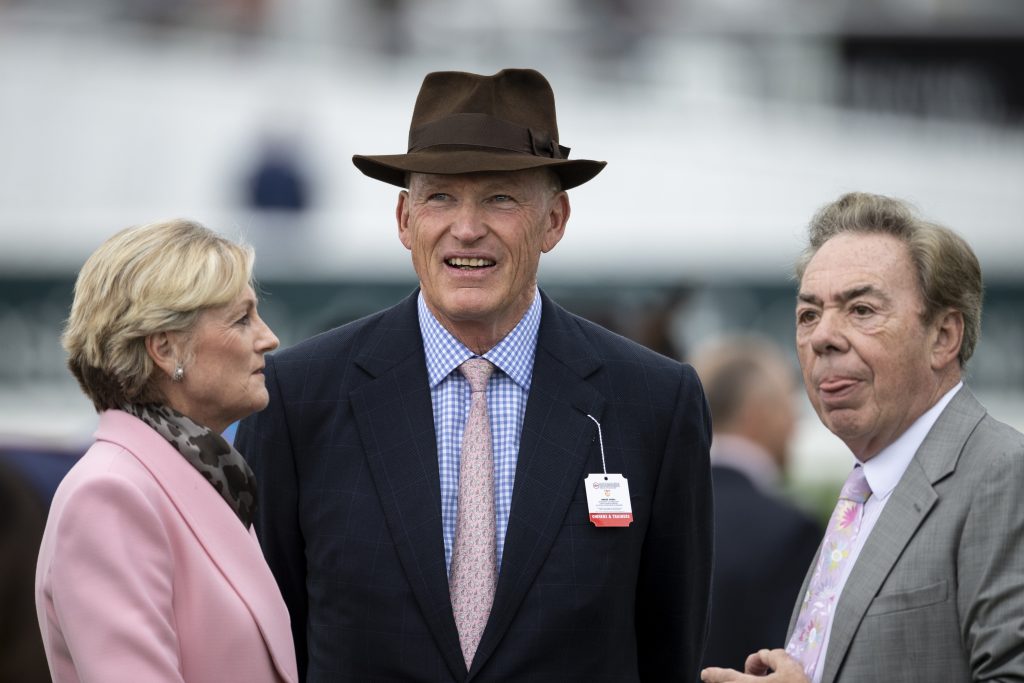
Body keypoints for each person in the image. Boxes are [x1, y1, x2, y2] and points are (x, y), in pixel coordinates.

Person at [235, 68, 713, 682]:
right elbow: (271, 647)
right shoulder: (299, 399)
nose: (466, 227)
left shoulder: (655, 402)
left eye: (500, 197)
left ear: (555, 220)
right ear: (405, 219)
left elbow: (669, 651)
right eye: (440, 196)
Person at [701, 192, 1024, 683]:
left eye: (861, 310)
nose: (822, 337)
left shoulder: (1004, 475)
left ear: (943, 336)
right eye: (808, 314)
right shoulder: (865, 493)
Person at [36, 219, 298, 683]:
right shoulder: (109, 496)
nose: (268, 338)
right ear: (165, 349)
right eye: (242, 319)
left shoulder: (207, 476)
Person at [691, 336, 821, 672]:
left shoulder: (648, 516)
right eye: (790, 408)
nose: (795, 427)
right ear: (760, 414)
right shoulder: (791, 532)